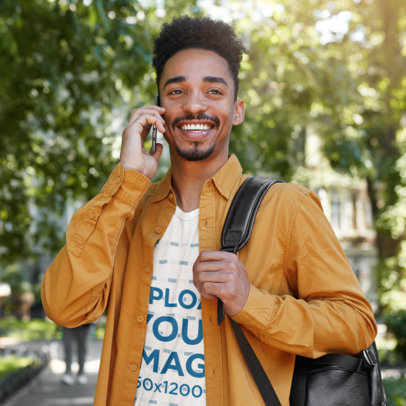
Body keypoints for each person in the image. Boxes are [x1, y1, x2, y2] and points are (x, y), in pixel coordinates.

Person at [41, 16, 377, 406]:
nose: (195, 104)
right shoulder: (130, 211)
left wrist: (250, 302)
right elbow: (63, 306)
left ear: (237, 110)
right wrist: (128, 179)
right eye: (176, 91)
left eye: (213, 91)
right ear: (158, 110)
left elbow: (355, 323)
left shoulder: (287, 207)